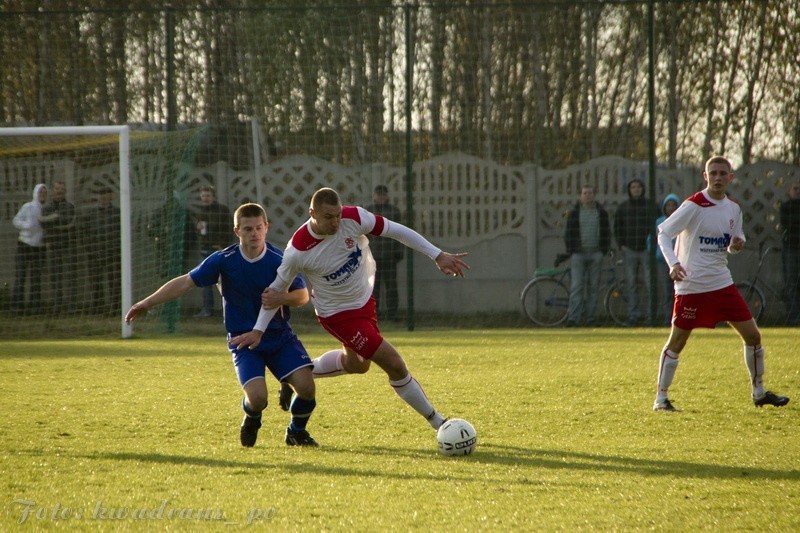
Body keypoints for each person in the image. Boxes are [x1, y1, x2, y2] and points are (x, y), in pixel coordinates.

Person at [231, 187, 469, 435]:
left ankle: (293, 373)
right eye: (328, 217)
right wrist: (258, 330)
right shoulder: (298, 250)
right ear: (312, 214)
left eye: (337, 214)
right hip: (337, 315)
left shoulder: (354, 218)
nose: (335, 222)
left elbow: (396, 230)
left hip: (365, 302)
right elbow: (273, 294)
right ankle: (439, 422)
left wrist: (437, 254)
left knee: (357, 365)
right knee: (395, 364)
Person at [125, 203, 319, 447]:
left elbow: (302, 296)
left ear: (267, 228)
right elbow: (186, 282)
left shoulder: (280, 259)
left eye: (259, 228)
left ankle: (296, 432)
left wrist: (281, 297)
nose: (254, 233)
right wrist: (147, 303)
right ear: (237, 231)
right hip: (242, 340)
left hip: (279, 336)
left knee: (307, 388)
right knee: (258, 399)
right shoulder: (223, 260)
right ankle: (252, 416)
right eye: (248, 229)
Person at [653, 156, 789, 411]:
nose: (717, 177)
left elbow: (733, 242)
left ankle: (758, 392)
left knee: (753, 336)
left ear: (730, 177)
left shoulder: (733, 208)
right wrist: (673, 264)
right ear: (705, 177)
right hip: (692, 286)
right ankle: (661, 399)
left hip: (722, 284)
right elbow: (664, 233)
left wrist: (735, 245)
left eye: (722, 173)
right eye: (713, 173)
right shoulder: (693, 205)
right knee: (678, 341)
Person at [563, 184, 612, 327]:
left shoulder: (601, 212)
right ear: (581, 195)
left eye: (590, 193)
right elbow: (568, 234)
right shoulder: (574, 213)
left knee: (593, 287)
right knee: (577, 287)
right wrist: (571, 250)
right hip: (578, 255)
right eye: (585, 193)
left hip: (596, 254)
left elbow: (606, 232)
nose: (587, 195)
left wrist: (603, 250)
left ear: (594, 195)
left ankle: (591, 318)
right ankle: (574, 318)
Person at [613, 179, 659, 325]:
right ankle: (633, 315)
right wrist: (621, 245)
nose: (636, 189)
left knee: (649, 283)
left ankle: (651, 316)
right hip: (629, 250)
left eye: (639, 186)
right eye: (633, 187)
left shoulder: (651, 206)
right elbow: (617, 227)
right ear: (629, 190)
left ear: (643, 188)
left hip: (647, 250)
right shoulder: (623, 207)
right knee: (631, 283)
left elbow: (660, 225)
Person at [365, 185, 405, 321]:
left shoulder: (394, 212)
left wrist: (399, 251)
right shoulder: (369, 212)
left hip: (390, 256)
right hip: (372, 257)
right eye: (378, 194)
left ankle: (392, 314)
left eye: (383, 194)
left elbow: (401, 234)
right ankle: (374, 315)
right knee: (373, 288)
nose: (381, 197)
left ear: (387, 196)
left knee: (391, 287)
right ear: (374, 195)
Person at [193, 185, 232, 317]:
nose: (205, 198)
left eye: (208, 195)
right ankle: (207, 309)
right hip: (204, 249)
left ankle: (230, 308)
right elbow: (200, 232)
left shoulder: (222, 210)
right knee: (205, 281)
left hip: (219, 249)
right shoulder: (201, 212)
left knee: (225, 280)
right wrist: (197, 228)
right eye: (203, 196)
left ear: (213, 196)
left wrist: (223, 245)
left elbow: (228, 229)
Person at [40, 181, 77, 313]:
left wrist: (54, 221)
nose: (59, 191)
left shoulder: (69, 207)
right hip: (52, 246)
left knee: (69, 275)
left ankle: (70, 305)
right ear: (53, 190)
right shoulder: (46, 208)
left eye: (62, 189)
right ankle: (57, 304)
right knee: (55, 276)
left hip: (67, 246)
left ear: (65, 191)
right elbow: (44, 224)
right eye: (57, 188)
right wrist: (55, 221)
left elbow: (69, 223)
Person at [12, 184, 48, 314]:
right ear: (35, 193)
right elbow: (15, 220)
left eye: (45, 193)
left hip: (39, 248)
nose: (42, 195)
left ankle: (35, 307)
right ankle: (17, 307)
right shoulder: (28, 207)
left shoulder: (46, 209)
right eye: (40, 192)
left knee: (36, 278)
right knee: (21, 276)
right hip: (24, 245)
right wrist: (26, 225)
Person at [85, 187, 121, 313]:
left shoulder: (117, 213)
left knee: (114, 281)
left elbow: (120, 233)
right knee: (96, 282)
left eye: (106, 194)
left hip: (112, 253)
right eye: (101, 194)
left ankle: (114, 308)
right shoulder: (92, 214)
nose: (103, 197)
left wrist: (116, 249)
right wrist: (90, 249)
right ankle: (97, 306)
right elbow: (86, 233)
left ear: (111, 196)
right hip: (96, 253)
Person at [648, 193, 680, 325]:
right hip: (662, 261)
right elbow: (653, 239)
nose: (671, 208)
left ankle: (678, 318)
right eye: (668, 205)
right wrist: (652, 251)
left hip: (679, 261)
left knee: (678, 291)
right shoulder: (659, 222)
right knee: (666, 291)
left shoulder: (681, 220)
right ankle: (667, 318)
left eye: (674, 205)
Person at [779, 181, 800, 325]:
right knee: (791, 283)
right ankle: (793, 318)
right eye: (795, 188)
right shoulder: (785, 207)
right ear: (789, 190)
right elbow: (787, 224)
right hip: (791, 249)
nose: (798, 191)